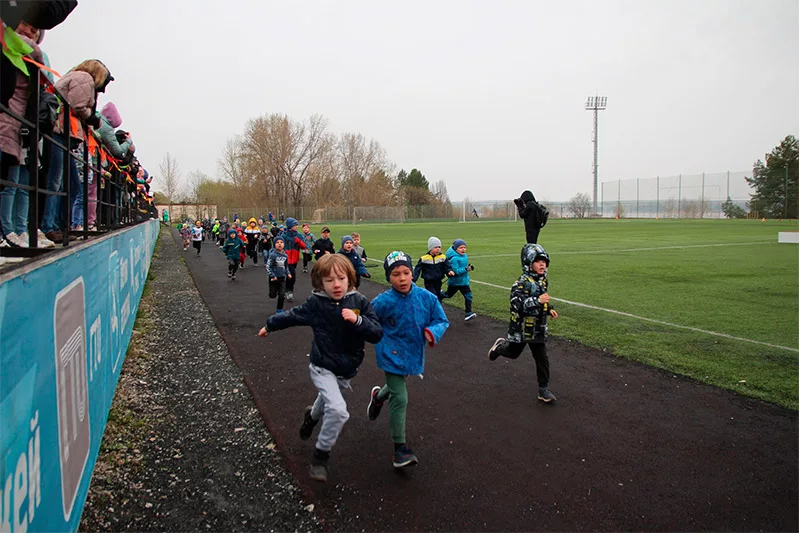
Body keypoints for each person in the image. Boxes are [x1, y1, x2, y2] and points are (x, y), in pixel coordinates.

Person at [257, 254, 383, 483]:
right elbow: (292, 316)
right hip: (322, 365)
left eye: (341, 279)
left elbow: (376, 333)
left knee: (326, 402)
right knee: (338, 410)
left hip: (347, 368)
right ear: (319, 283)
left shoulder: (360, 302)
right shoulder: (317, 304)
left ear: (349, 279)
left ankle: (311, 418)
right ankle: (320, 455)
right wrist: (269, 325)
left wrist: (358, 322)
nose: (336, 284)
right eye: (329, 280)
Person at [367, 251, 449, 469]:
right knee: (400, 397)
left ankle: (377, 397)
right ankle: (399, 450)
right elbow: (368, 320)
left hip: (412, 352)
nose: (402, 278)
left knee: (396, 386)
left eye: (406, 272)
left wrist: (433, 332)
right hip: (390, 353)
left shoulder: (427, 298)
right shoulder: (383, 301)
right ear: (388, 277)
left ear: (413, 273)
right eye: (395, 274)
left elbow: (441, 319)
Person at [488, 244, 559, 403]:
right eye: (538, 261)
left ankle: (543, 389)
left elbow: (543, 299)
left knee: (542, 358)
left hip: (537, 328)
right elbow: (517, 306)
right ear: (528, 263)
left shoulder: (543, 281)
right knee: (513, 353)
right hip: (520, 328)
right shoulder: (520, 283)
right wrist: (537, 300)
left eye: (544, 262)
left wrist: (549, 309)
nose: (542, 265)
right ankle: (499, 347)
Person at [443, 239, 476, 321]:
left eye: (464, 247)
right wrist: (466, 269)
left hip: (464, 282)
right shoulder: (454, 259)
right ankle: (439, 295)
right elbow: (456, 271)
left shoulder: (465, 256)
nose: (463, 249)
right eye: (461, 248)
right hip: (455, 283)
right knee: (448, 295)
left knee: (469, 296)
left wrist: (467, 268)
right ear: (456, 248)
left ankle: (468, 313)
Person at [412, 236, 453, 301]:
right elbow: (417, 270)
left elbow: (447, 266)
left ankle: (437, 308)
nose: (438, 249)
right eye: (435, 247)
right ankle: (432, 308)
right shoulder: (424, 258)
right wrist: (413, 279)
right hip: (429, 281)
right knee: (433, 296)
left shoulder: (443, 257)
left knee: (438, 295)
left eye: (439, 247)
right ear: (430, 248)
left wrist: (449, 271)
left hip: (438, 280)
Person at [278, 217, 307, 301]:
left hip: (295, 259)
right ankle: (289, 291)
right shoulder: (283, 235)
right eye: (295, 225)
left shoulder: (298, 235)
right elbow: (278, 246)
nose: (296, 226)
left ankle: (285, 290)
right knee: (292, 275)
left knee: (289, 275)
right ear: (290, 226)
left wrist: (299, 241)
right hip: (286, 259)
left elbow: (304, 246)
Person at [266, 236, 289, 313]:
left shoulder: (285, 255)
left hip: (282, 278)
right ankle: (273, 292)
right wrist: (272, 275)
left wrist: (288, 273)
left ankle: (279, 309)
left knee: (282, 294)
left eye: (281, 242)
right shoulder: (272, 255)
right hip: (273, 278)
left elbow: (286, 266)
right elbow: (268, 266)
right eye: (277, 242)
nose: (279, 244)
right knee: (272, 295)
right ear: (274, 244)